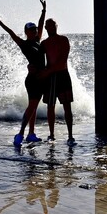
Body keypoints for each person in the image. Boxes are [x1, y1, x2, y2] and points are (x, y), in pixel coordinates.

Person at [0, 0, 47, 146]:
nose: (34, 31)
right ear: (26, 32)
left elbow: (41, 24)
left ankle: (31, 134)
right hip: (32, 79)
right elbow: (10, 33)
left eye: (35, 30)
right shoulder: (24, 44)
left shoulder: (38, 41)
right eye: (31, 29)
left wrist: (43, 11)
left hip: (41, 78)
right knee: (31, 106)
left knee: (33, 107)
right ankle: (20, 134)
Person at [41, 18, 75, 146]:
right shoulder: (45, 43)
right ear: (46, 28)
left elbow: (62, 60)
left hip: (62, 75)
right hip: (51, 78)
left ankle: (70, 136)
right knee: (50, 106)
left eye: (53, 25)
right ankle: (51, 135)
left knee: (67, 105)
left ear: (56, 26)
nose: (51, 28)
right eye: (48, 26)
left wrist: (47, 71)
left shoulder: (63, 40)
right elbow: (37, 58)